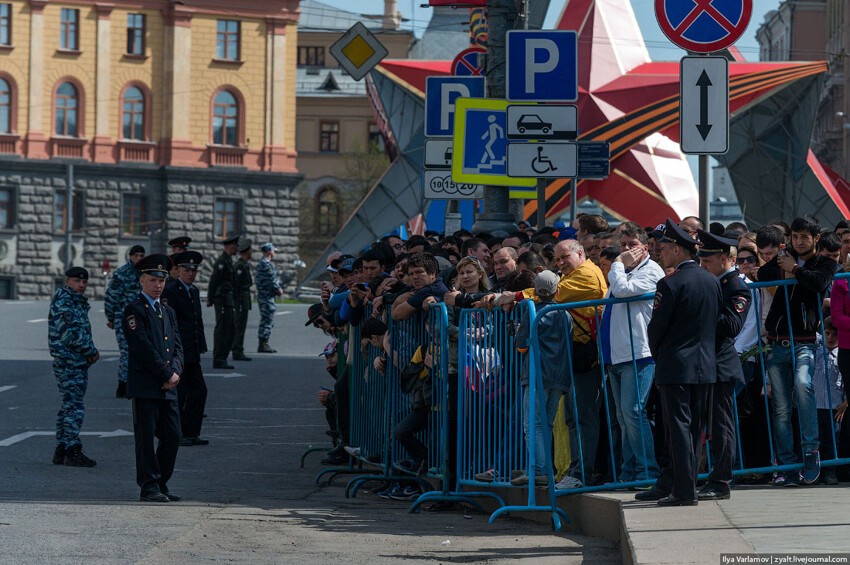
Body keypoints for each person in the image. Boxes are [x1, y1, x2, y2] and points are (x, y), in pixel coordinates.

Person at [636, 219, 721, 506]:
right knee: (696, 429)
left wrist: (660, 354)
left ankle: (684, 491)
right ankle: (689, 486)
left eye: (663, 248)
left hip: (676, 365)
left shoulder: (670, 283)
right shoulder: (711, 280)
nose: (660, 252)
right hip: (705, 364)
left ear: (677, 250)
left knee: (678, 428)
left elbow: (656, 329)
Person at [758, 215, 835, 486]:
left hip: (804, 341)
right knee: (780, 408)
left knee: (804, 385)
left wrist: (796, 270)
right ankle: (787, 464)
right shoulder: (783, 257)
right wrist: (786, 264)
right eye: (795, 237)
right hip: (777, 341)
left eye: (805, 237)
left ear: (816, 239)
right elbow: (762, 274)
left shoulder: (826, 261)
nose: (799, 242)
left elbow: (818, 282)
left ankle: (811, 450)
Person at [601, 222, 664, 484]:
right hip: (616, 354)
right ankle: (629, 472)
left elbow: (623, 290)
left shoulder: (650, 271)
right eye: (623, 245)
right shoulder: (622, 271)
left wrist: (617, 262)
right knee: (623, 416)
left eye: (632, 245)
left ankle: (647, 470)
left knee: (633, 412)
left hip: (638, 353)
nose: (626, 250)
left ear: (645, 247)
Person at [123, 254, 184, 502]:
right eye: (153, 280)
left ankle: (161, 482)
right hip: (147, 385)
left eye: (162, 280)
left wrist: (176, 372)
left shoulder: (167, 311)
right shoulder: (134, 310)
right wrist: (166, 372)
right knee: (146, 438)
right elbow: (142, 347)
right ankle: (149, 486)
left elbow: (178, 346)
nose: (158, 285)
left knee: (173, 436)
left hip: (169, 385)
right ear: (142, 281)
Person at [695, 230, 751, 500]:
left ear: (722, 258)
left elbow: (731, 326)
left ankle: (721, 480)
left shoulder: (736, 286)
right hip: (704, 363)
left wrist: (704, 308)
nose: (702, 267)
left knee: (721, 426)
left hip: (721, 364)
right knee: (704, 424)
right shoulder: (714, 283)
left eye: (707, 262)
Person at [512, 270, 572, 488]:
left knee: (532, 425)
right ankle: (543, 468)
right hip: (560, 376)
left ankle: (539, 469)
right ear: (557, 289)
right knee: (545, 424)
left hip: (537, 373)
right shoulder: (565, 314)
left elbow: (520, 346)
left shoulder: (531, 311)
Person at [48, 266, 100, 467]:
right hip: (69, 362)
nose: (81, 285)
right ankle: (72, 449)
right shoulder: (65, 302)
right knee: (75, 407)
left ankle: (62, 448)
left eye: (84, 282)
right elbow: (70, 336)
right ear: (67, 281)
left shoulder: (74, 300)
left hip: (74, 361)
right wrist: (91, 351)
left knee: (69, 404)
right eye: (77, 281)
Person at [163, 251, 210, 447]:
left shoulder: (194, 291)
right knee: (180, 394)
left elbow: (196, 321)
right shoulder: (172, 291)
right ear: (179, 271)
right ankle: (178, 433)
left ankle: (192, 432)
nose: (191, 273)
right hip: (178, 352)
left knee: (199, 391)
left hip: (192, 352)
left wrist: (202, 345)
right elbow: (169, 323)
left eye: (194, 270)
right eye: (187, 270)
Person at [105, 245, 144, 398]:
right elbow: (111, 297)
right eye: (137, 256)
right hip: (124, 317)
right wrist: (110, 317)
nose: (139, 258)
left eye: (142, 255)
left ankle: (136, 383)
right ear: (131, 256)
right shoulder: (122, 273)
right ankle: (123, 385)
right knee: (127, 351)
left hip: (142, 318)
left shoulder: (146, 273)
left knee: (140, 351)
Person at [208, 235, 238, 369]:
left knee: (230, 329)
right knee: (222, 329)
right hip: (222, 299)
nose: (237, 248)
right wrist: (210, 298)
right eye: (235, 246)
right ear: (230, 246)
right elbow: (214, 281)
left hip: (228, 300)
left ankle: (223, 358)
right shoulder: (222, 261)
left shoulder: (228, 260)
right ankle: (219, 359)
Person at [256, 242, 284, 353]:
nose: (274, 252)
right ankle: (264, 344)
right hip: (267, 297)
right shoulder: (267, 264)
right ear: (269, 251)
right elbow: (272, 280)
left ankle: (262, 344)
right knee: (267, 320)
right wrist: (279, 289)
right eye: (273, 250)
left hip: (262, 296)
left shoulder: (261, 263)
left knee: (264, 320)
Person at [232, 237, 253, 362]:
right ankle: (237, 350)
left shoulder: (244, 265)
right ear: (247, 251)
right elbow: (236, 286)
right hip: (240, 301)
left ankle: (238, 348)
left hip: (243, 301)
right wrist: (237, 302)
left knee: (241, 326)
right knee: (239, 326)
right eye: (250, 250)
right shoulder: (239, 266)